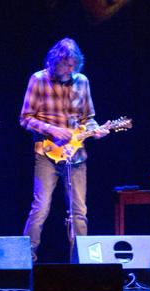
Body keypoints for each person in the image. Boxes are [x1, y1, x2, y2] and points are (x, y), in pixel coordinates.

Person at [20, 38, 108, 261]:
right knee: (40, 208)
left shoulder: (82, 81)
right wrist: (52, 129)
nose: (71, 69)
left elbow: (89, 118)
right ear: (55, 61)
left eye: (74, 65)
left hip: (76, 156)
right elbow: (25, 118)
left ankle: (81, 262)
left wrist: (96, 130)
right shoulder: (38, 79)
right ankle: (25, 260)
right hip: (46, 154)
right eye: (67, 64)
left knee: (79, 211)